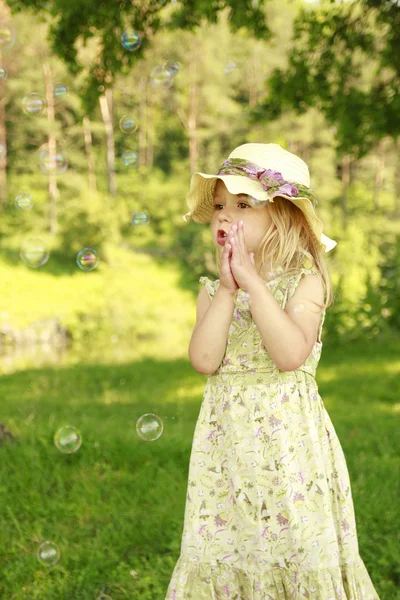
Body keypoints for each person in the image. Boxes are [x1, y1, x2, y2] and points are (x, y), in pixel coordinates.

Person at [165, 143, 381, 599]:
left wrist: (254, 284)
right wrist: (227, 290)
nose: (224, 216)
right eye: (220, 205)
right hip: (226, 452)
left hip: (288, 449)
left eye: (243, 205)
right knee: (230, 545)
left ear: (283, 216)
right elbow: (204, 361)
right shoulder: (211, 291)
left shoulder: (306, 281)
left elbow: (289, 355)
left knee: (293, 545)